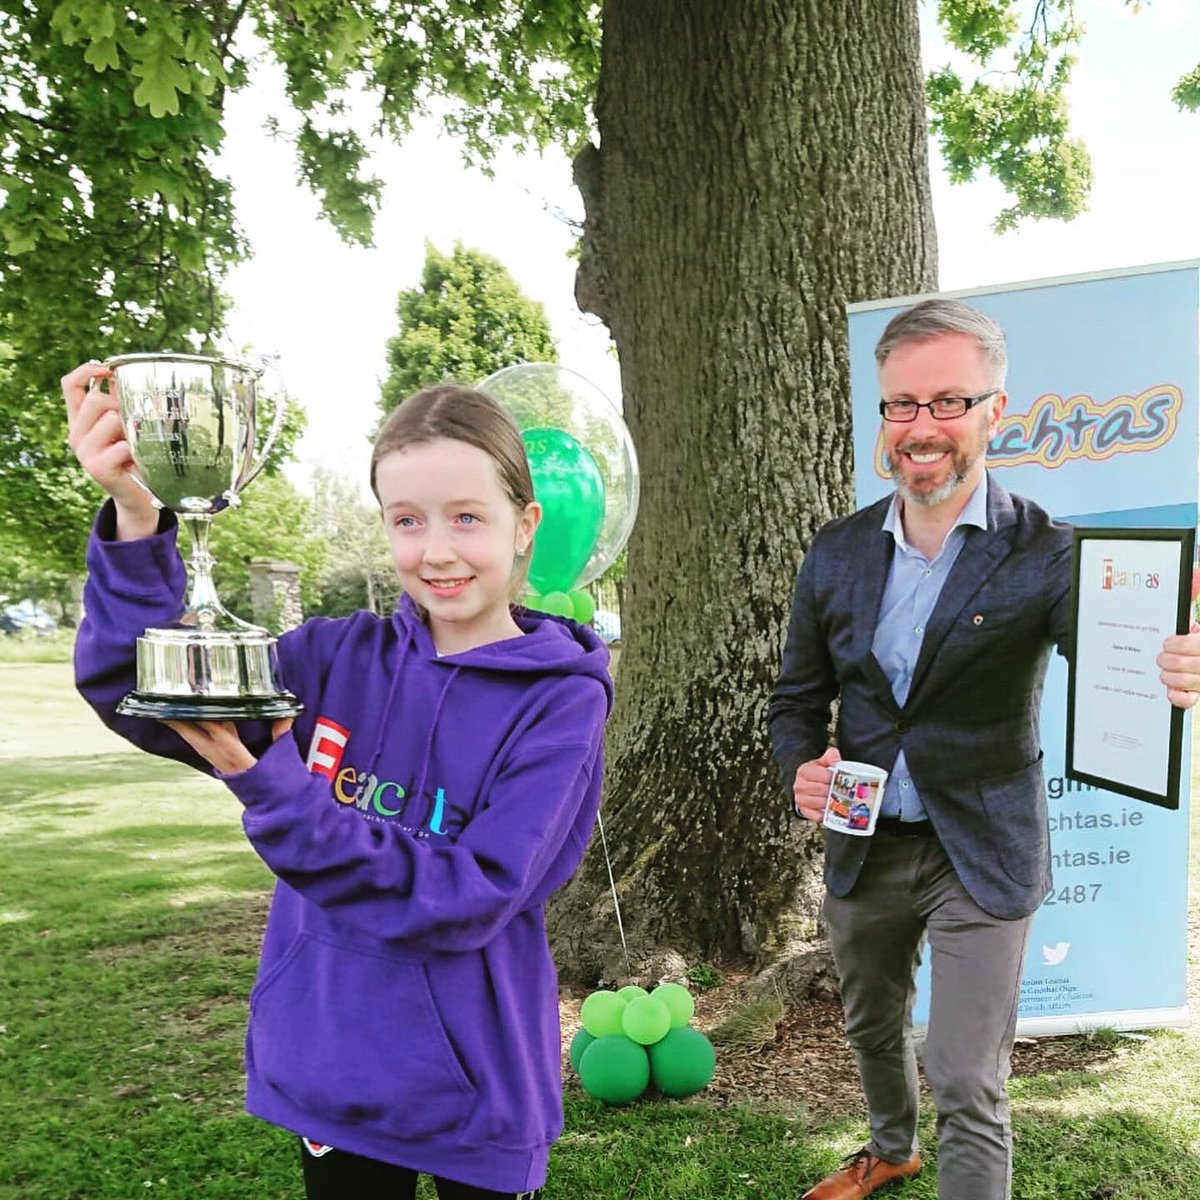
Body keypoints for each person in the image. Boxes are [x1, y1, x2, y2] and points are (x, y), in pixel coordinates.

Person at [63, 364, 613, 1200]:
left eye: (468, 517)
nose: (435, 550)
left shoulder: (560, 702)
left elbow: (470, 894)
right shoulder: (329, 659)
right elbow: (137, 692)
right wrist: (141, 516)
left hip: (479, 1096)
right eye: (406, 519)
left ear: (525, 524)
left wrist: (282, 795)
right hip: (335, 1072)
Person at [767, 298, 1200, 1200]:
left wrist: (1172, 654)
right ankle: (891, 1147)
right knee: (871, 1021)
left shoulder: (1048, 553)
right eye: (902, 405)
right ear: (882, 414)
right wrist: (802, 764)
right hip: (866, 841)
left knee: (966, 1074)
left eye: (948, 402)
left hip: (983, 850)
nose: (922, 428)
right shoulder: (836, 552)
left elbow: (1122, 645)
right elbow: (797, 700)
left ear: (995, 411)